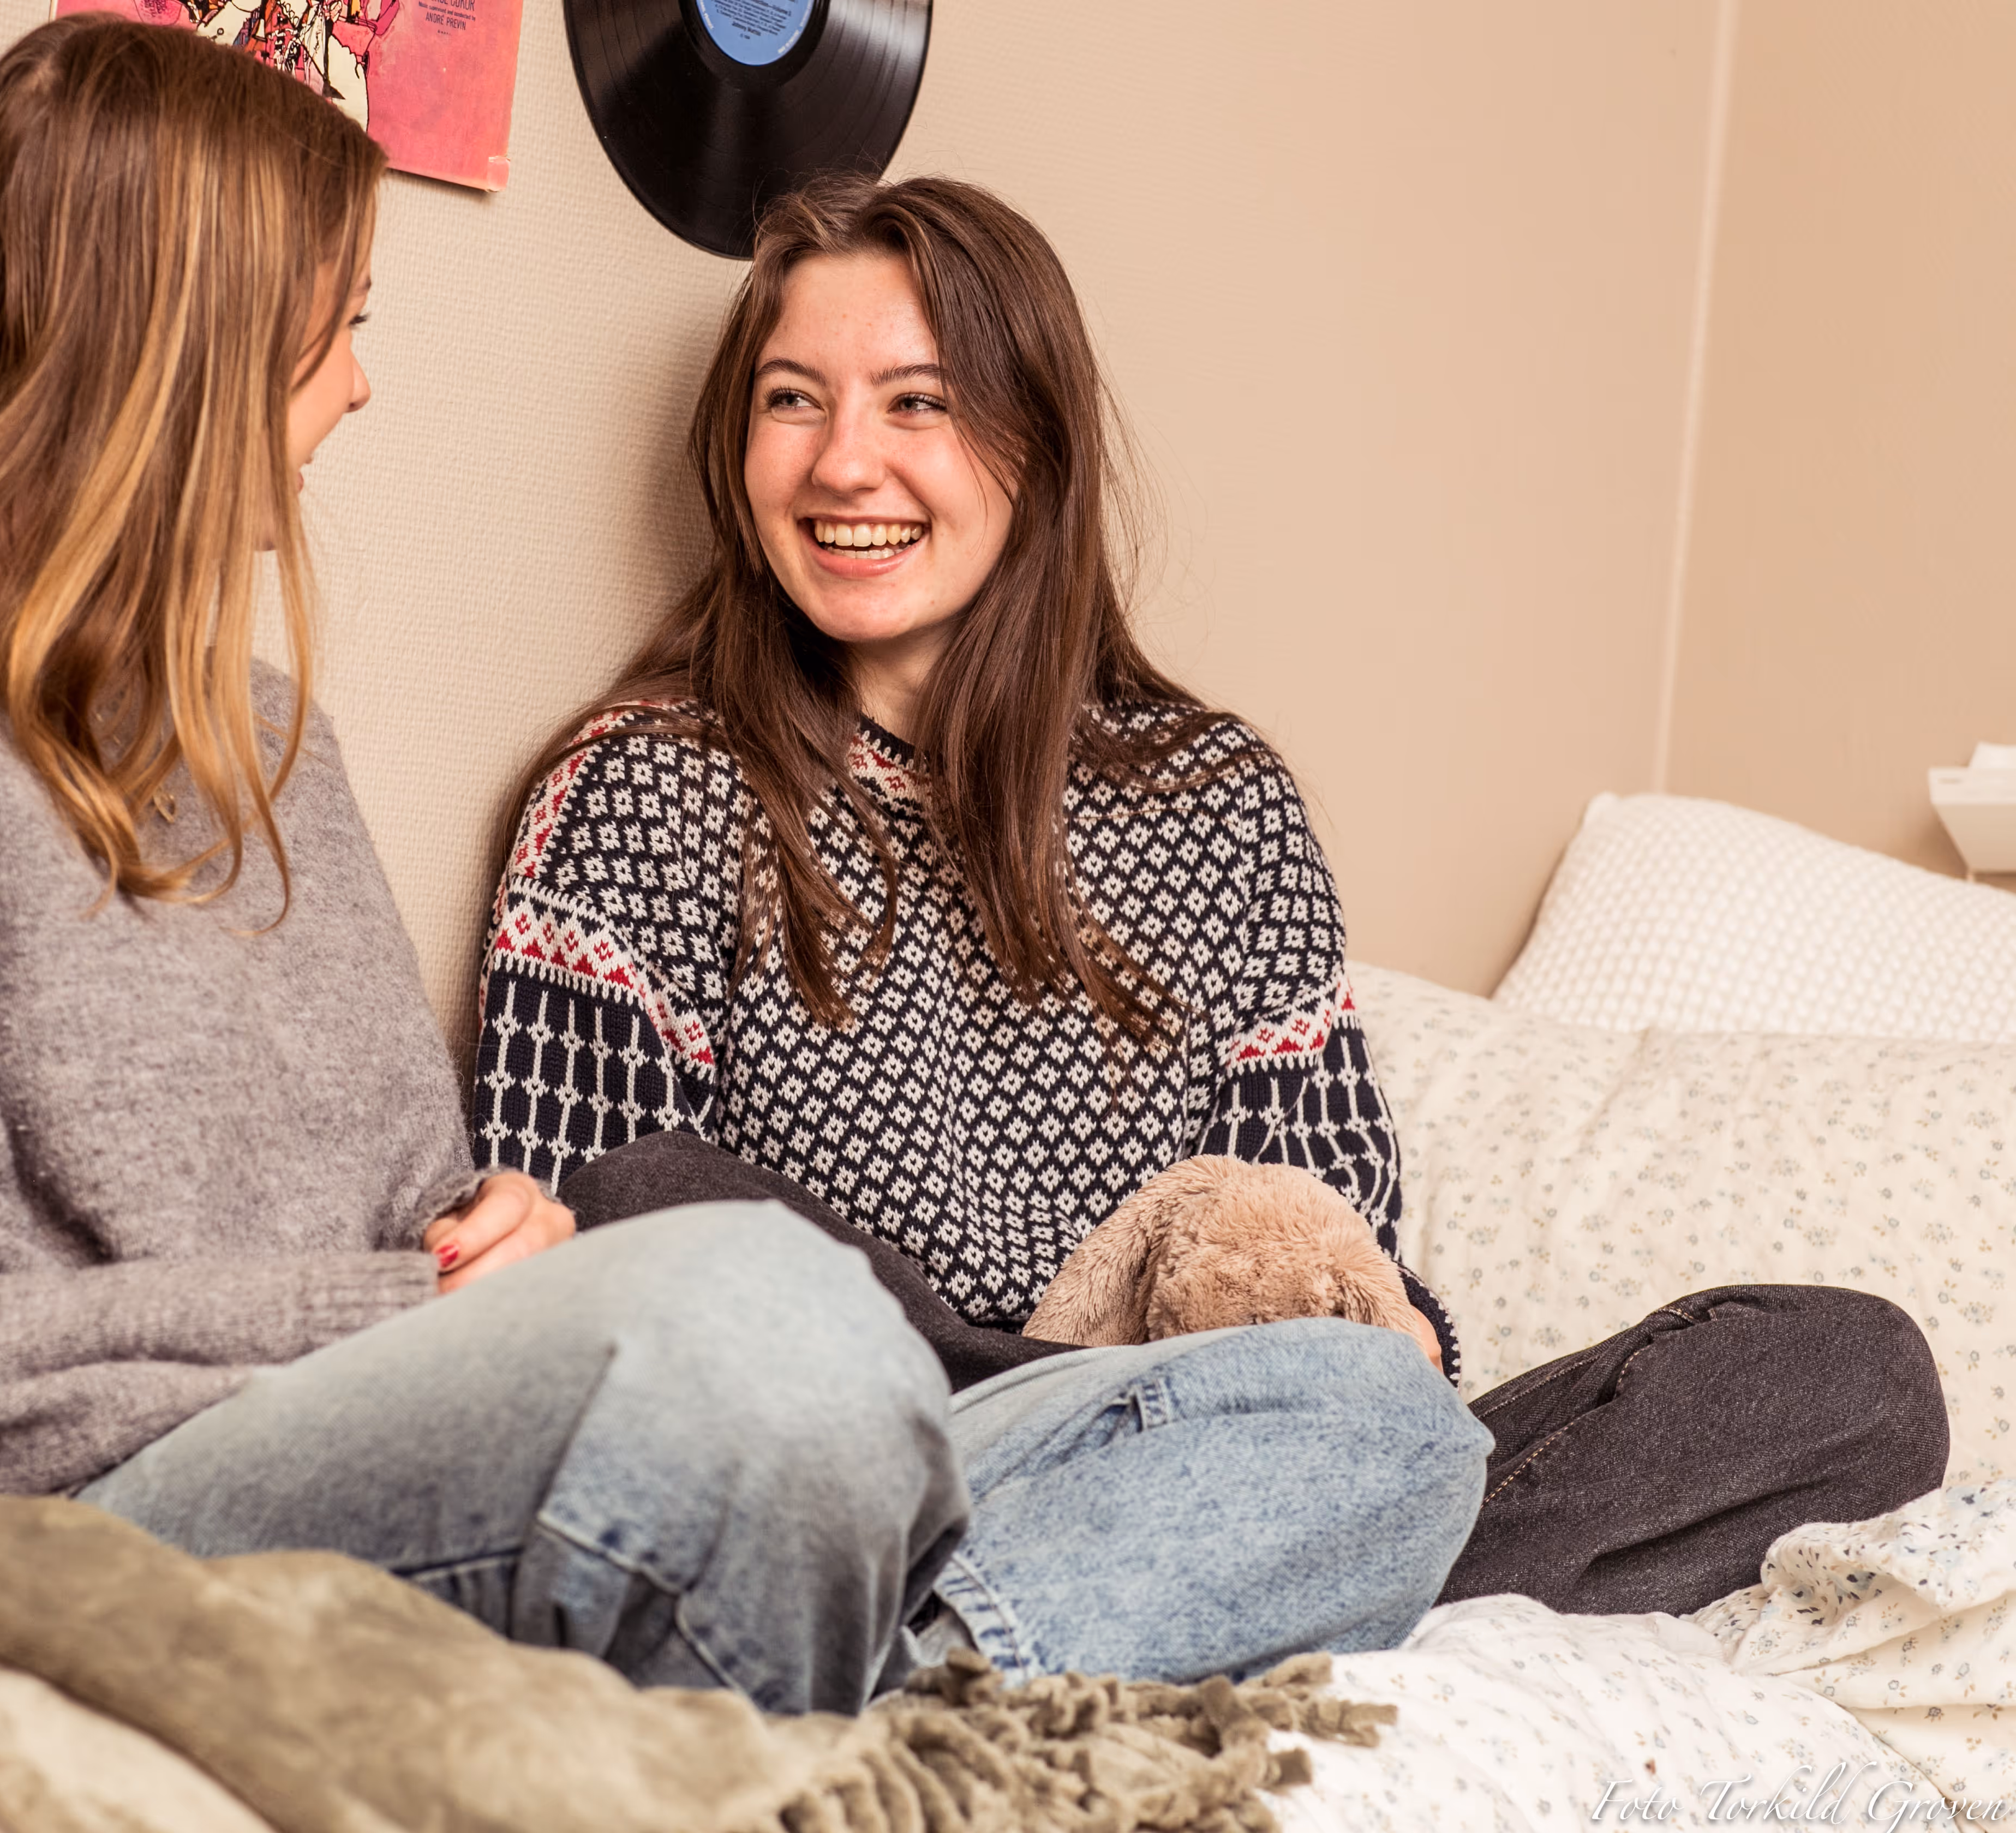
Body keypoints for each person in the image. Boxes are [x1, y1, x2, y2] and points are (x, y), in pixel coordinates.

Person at [0, 17, 1480, 1709]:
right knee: (755, 1305)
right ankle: (866, 1652)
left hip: (389, 1426)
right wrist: (422, 1304)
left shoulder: (266, 746)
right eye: (340, 323)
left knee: (1378, 1427)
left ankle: (943, 1681)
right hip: (119, 1508)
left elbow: (424, 1225)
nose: (360, 387)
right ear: (190, 353)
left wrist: (483, 1248)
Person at [471, 172, 1948, 1621]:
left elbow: (1323, 1241)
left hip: (1237, 1459)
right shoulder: (645, 790)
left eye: (916, 402)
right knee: (655, 1205)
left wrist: (1396, 1344)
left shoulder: (1220, 802)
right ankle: (1136, 1597)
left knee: (1852, 1375)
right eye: (793, 400)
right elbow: (574, 1296)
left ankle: (1187, 1594)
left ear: (1035, 448)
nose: (844, 462)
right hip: (881, 1462)